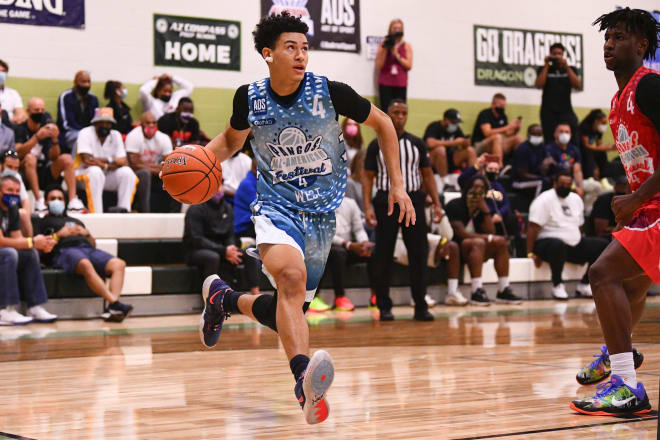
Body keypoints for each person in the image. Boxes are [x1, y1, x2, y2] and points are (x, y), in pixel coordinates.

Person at [196, 12, 415, 425]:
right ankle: (303, 384)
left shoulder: (330, 93)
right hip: (276, 209)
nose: (300, 55)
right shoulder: (250, 98)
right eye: (290, 47)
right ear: (268, 54)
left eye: (304, 48)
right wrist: (194, 161)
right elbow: (229, 140)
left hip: (322, 217)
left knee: (286, 308)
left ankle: (224, 299)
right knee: (291, 280)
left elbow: (384, 124)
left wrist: (398, 186)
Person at [570, 8, 660, 416]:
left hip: (655, 205)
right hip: (648, 205)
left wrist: (636, 198)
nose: (609, 43)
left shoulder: (650, 87)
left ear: (641, 46)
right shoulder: (617, 100)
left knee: (603, 273)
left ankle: (626, 385)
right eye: (607, 37)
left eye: (619, 37)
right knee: (631, 286)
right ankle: (614, 355)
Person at [363, 99, 441, 321]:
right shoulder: (374, 144)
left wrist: (436, 202)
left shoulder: (417, 143)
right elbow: (368, 178)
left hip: (414, 199)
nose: (399, 117)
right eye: (395, 112)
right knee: (384, 254)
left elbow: (427, 174)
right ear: (387, 114)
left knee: (419, 253)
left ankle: (420, 305)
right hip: (385, 201)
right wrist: (367, 206)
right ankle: (384, 306)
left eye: (403, 113)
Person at [38, 186, 133, 322]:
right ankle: (114, 303)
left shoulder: (77, 220)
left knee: (119, 264)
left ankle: (113, 306)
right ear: (46, 203)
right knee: (85, 264)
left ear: (65, 202)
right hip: (64, 251)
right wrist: (58, 235)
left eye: (60, 198)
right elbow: (41, 247)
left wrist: (87, 234)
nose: (57, 201)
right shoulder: (42, 222)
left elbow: (93, 244)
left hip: (88, 248)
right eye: (53, 199)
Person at [527, 169, 608, 300]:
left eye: (567, 184)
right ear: (554, 183)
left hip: (572, 244)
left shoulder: (576, 199)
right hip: (547, 244)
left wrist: (581, 246)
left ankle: (585, 284)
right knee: (557, 245)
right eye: (561, 184)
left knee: (602, 245)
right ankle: (557, 285)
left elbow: (579, 226)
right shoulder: (544, 199)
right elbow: (532, 227)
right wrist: (530, 253)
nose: (565, 187)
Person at [445, 173, 520, 305]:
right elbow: (461, 233)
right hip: (456, 249)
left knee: (501, 242)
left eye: (481, 188)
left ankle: (503, 289)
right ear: (467, 188)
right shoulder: (455, 205)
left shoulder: (482, 208)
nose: (476, 191)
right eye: (474, 186)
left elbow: (491, 231)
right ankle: (476, 290)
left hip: (477, 250)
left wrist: (485, 210)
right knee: (478, 242)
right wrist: (487, 237)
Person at [0, 175, 57, 325]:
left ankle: (34, 306)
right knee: (9, 253)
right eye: (9, 190)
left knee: (29, 254)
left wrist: (40, 243)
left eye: (17, 191)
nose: (13, 194)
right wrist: (32, 242)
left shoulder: (12, 209)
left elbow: (18, 239)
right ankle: (6, 310)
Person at [184, 186, 261, 295]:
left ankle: (255, 294)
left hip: (223, 249)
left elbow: (230, 234)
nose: (218, 189)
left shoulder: (227, 207)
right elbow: (197, 239)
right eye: (215, 186)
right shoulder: (195, 208)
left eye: (220, 185)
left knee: (249, 253)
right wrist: (224, 250)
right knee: (212, 257)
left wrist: (231, 249)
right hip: (196, 250)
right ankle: (210, 299)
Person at [14, 97, 85, 213]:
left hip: (44, 171)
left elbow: (53, 157)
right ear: (28, 111)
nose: (40, 113)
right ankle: (39, 201)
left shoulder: (46, 128)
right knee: (30, 158)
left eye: (42, 110)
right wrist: (36, 137)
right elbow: (18, 153)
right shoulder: (20, 128)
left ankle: (73, 201)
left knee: (66, 158)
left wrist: (55, 140)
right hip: (26, 173)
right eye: (36, 110)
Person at [75, 108, 138, 213]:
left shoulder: (116, 135)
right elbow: (87, 160)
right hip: (83, 174)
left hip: (107, 174)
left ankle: (124, 212)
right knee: (95, 171)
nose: (104, 126)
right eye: (101, 123)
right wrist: (112, 160)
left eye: (108, 123)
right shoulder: (85, 133)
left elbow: (123, 162)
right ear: (95, 123)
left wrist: (105, 164)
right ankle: (96, 214)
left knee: (127, 173)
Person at [317, 196, 374, 312]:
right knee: (338, 253)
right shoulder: (319, 203)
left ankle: (376, 295)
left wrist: (364, 242)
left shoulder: (351, 203)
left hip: (348, 247)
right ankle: (339, 298)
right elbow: (325, 234)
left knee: (374, 252)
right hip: (325, 249)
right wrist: (348, 244)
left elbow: (359, 229)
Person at [125, 112, 174, 213]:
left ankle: (174, 212)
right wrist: (158, 167)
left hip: (156, 173)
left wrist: (144, 164)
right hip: (137, 173)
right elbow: (133, 164)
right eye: (148, 123)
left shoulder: (163, 138)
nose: (151, 126)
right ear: (141, 124)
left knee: (175, 174)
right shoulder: (133, 136)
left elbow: (170, 165)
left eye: (154, 123)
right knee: (145, 173)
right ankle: (145, 212)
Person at [459, 155, 518, 238]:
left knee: (512, 218)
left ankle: (512, 244)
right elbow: (461, 179)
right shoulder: (477, 182)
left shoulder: (498, 186)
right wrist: (476, 167)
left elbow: (506, 204)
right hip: (480, 214)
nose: (493, 172)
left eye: (496, 170)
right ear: (484, 170)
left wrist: (499, 214)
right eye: (490, 169)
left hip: (495, 216)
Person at [535, 42, 581, 143]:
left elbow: (577, 85)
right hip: (548, 112)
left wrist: (566, 66)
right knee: (549, 139)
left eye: (559, 54)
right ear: (550, 54)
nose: (557, 56)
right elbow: (539, 85)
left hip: (566, 110)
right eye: (554, 54)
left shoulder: (571, 69)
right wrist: (547, 64)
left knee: (573, 137)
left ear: (563, 55)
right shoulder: (543, 69)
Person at [423, 109, 477, 185]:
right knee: (440, 150)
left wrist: (465, 142)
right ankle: (445, 183)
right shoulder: (434, 126)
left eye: (457, 123)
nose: (455, 125)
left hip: (450, 160)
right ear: (445, 120)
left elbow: (464, 143)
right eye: (453, 122)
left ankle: (473, 180)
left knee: (470, 150)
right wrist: (453, 142)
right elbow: (429, 143)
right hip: (433, 161)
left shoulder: (457, 129)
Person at [471, 93, 523, 164]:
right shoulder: (485, 114)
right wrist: (508, 127)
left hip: (497, 144)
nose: (503, 108)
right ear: (493, 105)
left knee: (518, 138)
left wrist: (516, 128)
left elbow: (507, 134)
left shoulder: (503, 116)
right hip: (479, 145)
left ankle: (520, 167)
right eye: (501, 106)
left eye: (504, 106)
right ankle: (498, 167)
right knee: (497, 137)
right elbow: (487, 133)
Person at [375, 19, 413, 112]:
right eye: (395, 28)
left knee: (400, 110)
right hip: (385, 83)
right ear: (390, 29)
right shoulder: (384, 44)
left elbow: (409, 65)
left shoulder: (406, 46)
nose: (397, 30)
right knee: (386, 111)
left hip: (400, 84)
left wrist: (396, 54)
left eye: (399, 28)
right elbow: (379, 66)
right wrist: (386, 49)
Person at [57, 71, 99, 152]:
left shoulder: (93, 98)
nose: (87, 85)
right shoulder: (66, 96)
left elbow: (96, 120)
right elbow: (64, 123)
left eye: (88, 82)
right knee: (80, 138)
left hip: (89, 132)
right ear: (75, 82)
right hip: (70, 132)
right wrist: (84, 133)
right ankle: (76, 164)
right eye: (83, 82)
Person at [512, 123, 554, 199]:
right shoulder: (523, 149)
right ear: (528, 135)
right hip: (519, 181)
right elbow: (522, 174)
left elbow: (548, 162)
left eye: (539, 135)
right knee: (542, 182)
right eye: (535, 134)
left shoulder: (542, 147)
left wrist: (547, 165)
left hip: (535, 178)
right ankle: (537, 208)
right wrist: (540, 177)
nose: (537, 137)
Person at [545, 123, 585, 197]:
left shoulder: (574, 150)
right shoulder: (549, 149)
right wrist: (573, 187)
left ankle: (585, 208)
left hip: (572, 180)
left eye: (567, 132)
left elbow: (577, 171)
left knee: (595, 186)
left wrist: (580, 187)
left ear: (571, 134)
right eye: (561, 131)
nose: (564, 134)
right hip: (558, 182)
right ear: (555, 134)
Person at [1, 150, 33, 238]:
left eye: (16, 168)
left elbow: (25, 200)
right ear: (1, 165)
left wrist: (26, 216)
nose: (13, 171)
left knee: (23, 213)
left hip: (9, 212)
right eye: (9, 167)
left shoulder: (16, 177)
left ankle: (29, 242)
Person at [589, 174, 630, 241]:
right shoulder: (604, 200)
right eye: (621, 187)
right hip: (604, 239)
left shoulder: (635, 201)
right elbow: (601, 231)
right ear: (615, 187)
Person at [578, 109, 615, 179]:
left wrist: (609, 147)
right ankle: (590, 177)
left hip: (590, 150)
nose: (604, 125)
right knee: (588, 153)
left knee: (602, 153)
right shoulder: (584, 127)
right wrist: (609, 147)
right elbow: (587, 146)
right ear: (596, 121)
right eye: (603, 123)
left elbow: (599, 146)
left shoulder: (599, 130)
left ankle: (604, 177)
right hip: (582, 150)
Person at [234, 159, 258, 239]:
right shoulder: (247, 184)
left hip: (253, 221)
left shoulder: (258, 181)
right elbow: (259, 207)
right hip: (244, 225)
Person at [0, 59, 27, 124]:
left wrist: (7, 121)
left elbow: (21, 115)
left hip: (9, 126)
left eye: (3, 71)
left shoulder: (13, 93)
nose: (1, 74)